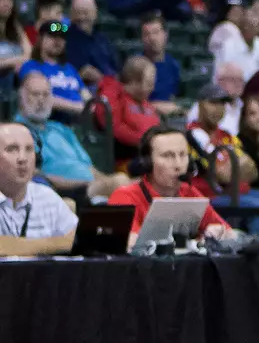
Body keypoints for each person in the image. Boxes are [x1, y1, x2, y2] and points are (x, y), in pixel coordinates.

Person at [108, 123, 232, 247]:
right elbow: (129, 242)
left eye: (182, 155)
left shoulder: (189, 192)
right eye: (167, 156)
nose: (178, 165)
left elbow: (232, 234)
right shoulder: (125, 196)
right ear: (147, 163)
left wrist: (219, 233)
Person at [15, 71, 127, 200]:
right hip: (63, 193)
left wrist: (107, 182)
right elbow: (35, 175)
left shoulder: (61, 129)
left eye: (46, 94)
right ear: (21, 97)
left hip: (90, 189)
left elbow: (89, 167)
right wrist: (81, 187)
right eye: (35, 94)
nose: (41, 99)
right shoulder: (17, 132)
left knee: (126, 184)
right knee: (122, 184)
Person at [0, 122, 78, 257]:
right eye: (12, 149)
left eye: (29, 149)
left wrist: (18, 246)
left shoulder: (46, 196)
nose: (22, 158)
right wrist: (56, 244)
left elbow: (76, 241)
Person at [187, 80, 256, 196]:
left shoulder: (228, 136)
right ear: (200, 105)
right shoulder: (191, 135)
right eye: (213, 103)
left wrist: (232, 170)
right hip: (212, 196)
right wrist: (238, 169)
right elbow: (220, 175)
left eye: (223, 103)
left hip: (240, 193)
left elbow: (253, 171)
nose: (219, 108)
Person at [96, 55, 162, 162]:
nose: (152, 88)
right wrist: (147, 142)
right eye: (149, 84)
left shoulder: (142, 100)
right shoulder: (112, 96)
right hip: (127, 160)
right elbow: (114, 129)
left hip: (151, 155)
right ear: (134, 81)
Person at [20, 18, 87, 120]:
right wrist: (77, 107)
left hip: (79, 121)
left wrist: (92, 106)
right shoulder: (30, 66)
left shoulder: (70, 68)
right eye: (52, 36)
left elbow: (85, 94)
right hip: (48, 120)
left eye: (62, 37)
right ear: (40, 39)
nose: (58, 41)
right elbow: (38, 98)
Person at [64, 0, 119, 84]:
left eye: (85, 13)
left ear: (95, 14)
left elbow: (116, 68)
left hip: (110, 85)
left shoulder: (103, 39)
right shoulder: (65, 38)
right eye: (77, 13)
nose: (81, 17)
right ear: (71, 15)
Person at [139, 12, 182, 109]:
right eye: (147, 34)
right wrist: (157, 106)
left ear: (165, 35)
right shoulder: (136, 65)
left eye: (156, 32)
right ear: (142, 38)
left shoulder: (173, 65)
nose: (152, 38)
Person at [0, 0, 28, 79]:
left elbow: (29, 54)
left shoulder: (16, 26)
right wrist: (14, 62)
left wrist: (5, 62)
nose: (6, 3)